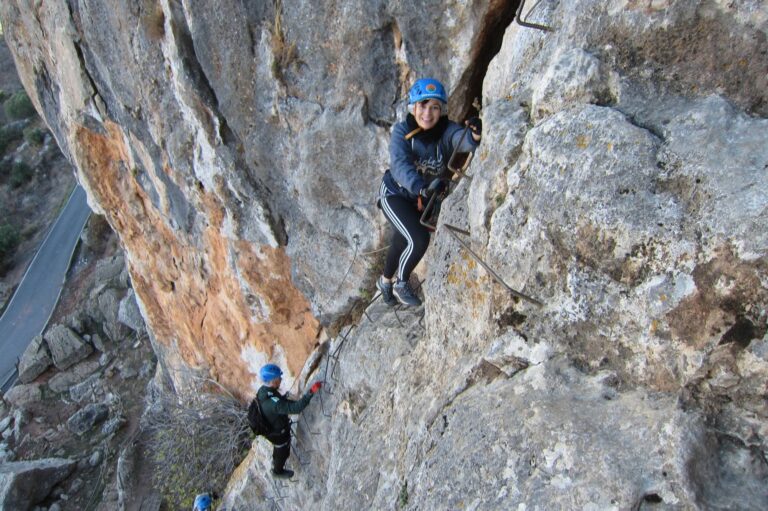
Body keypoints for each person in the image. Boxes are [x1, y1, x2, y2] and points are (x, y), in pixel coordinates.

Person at [376, 77, 482, 306]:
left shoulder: (446, 130)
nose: (428, 113)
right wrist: (422, 188)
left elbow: (461, 140)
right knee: (418, 238)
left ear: (442, 110)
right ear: (413, 106)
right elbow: (400, 165)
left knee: (401, 240)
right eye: (423, 105)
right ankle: (400, 284)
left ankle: (384, 282)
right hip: (394, 194)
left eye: (435, 107)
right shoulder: (402, 132)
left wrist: (474, 134)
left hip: (420, 198)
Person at [257, 363, 322, 479]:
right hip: (277, 432)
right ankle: (277, 471)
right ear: (272, 381)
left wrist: (283, 400)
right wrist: (310, 393)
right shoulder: (273, 403)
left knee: (280, 447)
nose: (281, 379)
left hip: (271, 422)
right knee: (282, 448)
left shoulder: (264, 390)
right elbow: (296, 408)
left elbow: (277, 402)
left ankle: (277, 463)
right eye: (278, 378)